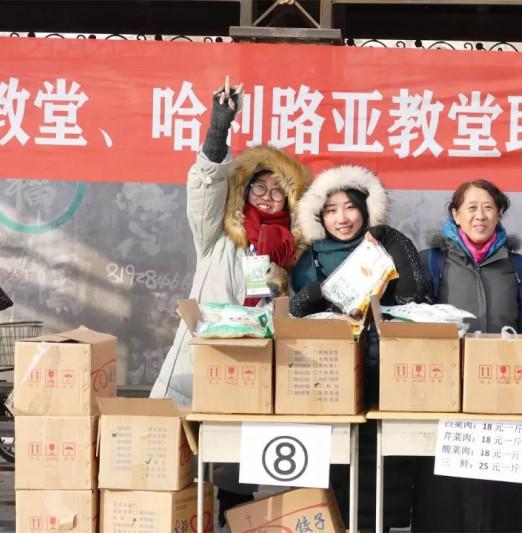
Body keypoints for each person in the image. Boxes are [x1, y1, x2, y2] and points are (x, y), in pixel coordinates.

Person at [149, 76, 310, 522]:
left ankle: (244, 518)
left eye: (278, 190)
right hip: (208, 362)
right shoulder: (217, 237)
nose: (268, 196)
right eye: (259, 188)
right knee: (198, 463)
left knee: (251, 462)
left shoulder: (295, 252)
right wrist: (219, 126)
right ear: (244, 192)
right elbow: (204, 184)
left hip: (262, 366)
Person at [290, 164, 430, 531]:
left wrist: (396, 244)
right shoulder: (311, 257)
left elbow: (416, 295)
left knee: (385, 461)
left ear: (366, 209)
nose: (342, 217)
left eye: (350, 207)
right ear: (320, 216)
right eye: (332, 210)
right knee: (333, 462)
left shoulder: (387, 244)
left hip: (384, 373)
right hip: (327, 378)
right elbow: (294, 314)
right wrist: (321, 293)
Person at [413, 179, 522, 533]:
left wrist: (515, 359)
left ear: (500, 214)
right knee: (443, 493)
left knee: (498, 499)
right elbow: (408, 324)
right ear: (455, 214)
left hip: (502, 400)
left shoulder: (517, 267)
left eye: (489, 207)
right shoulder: (431, 263)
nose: (480, 216)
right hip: (444, 400)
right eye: (471, 207)